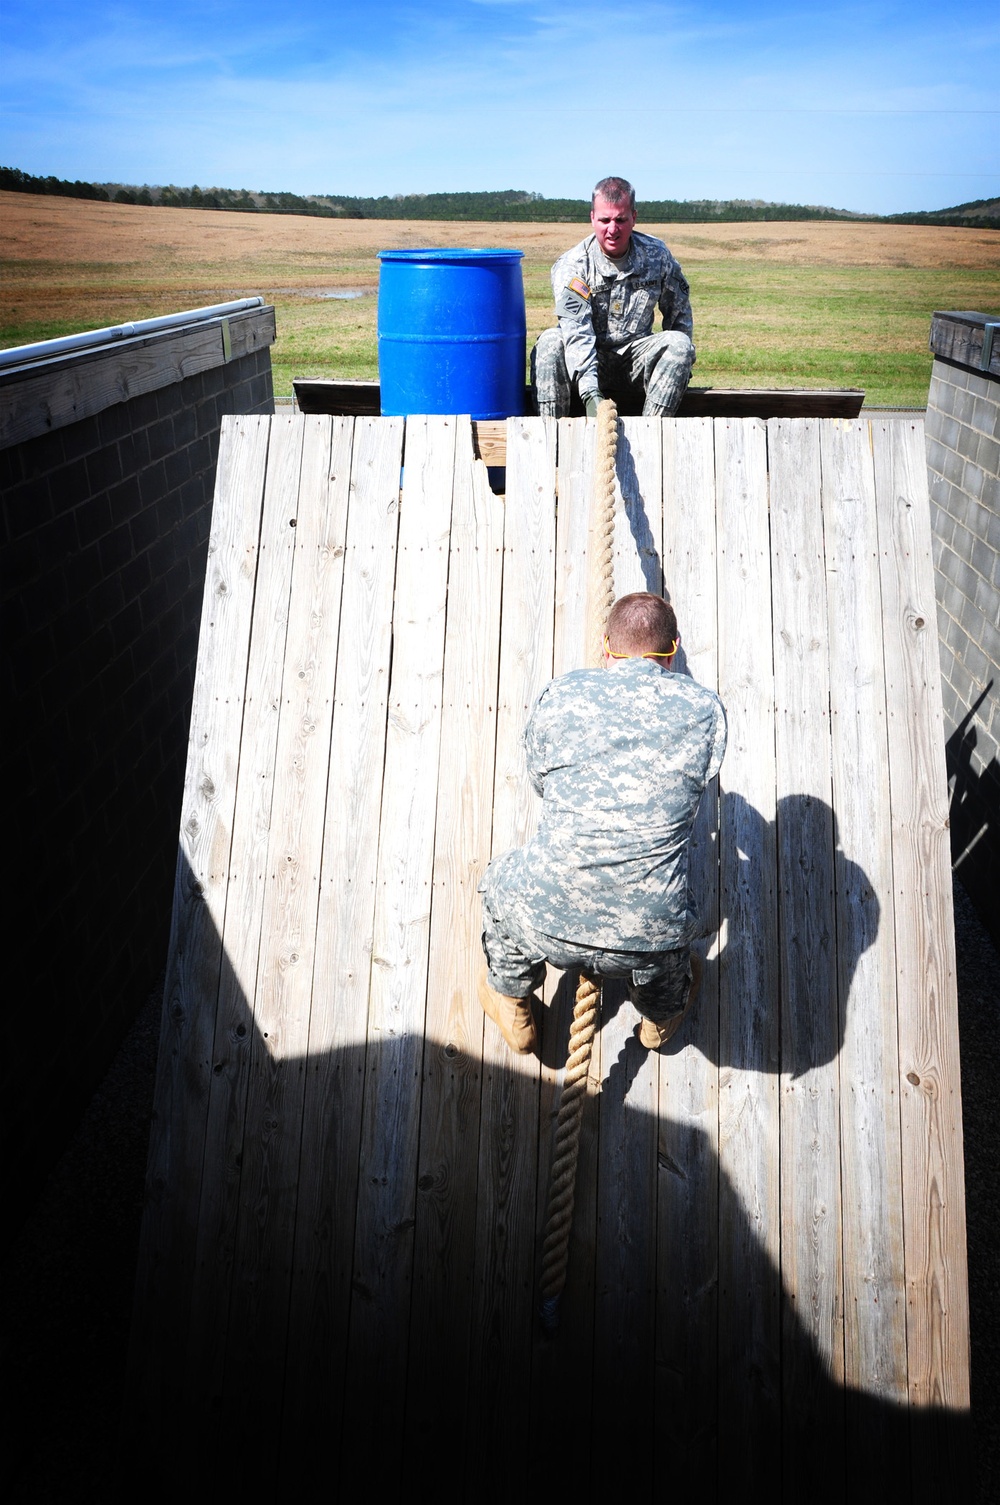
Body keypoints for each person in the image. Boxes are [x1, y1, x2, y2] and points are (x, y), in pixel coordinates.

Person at [479, 593, 727, 1056]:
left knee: (499, 887)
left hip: (547, 916)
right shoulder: (704, 710)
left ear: (605, 647)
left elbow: (541, 781)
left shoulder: (562, 694)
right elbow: (702, 780)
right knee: (670, 942)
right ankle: (660, 1020)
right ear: (672, 650)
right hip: (646, 934)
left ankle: (511, 997)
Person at [531, 176, 695, 420]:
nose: (612, 228)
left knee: (680, 345)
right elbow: (577, 331)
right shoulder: (573, 265)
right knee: (550, 341)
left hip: (636, 360)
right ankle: (552, 440)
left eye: (620, 219)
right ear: (592, 219)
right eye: (604, 220)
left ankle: (649, 439)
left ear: (634, 218)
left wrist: (678, 369)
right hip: (587, 359)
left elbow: (679, 313)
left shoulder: (656, 255)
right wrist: (589, 392)